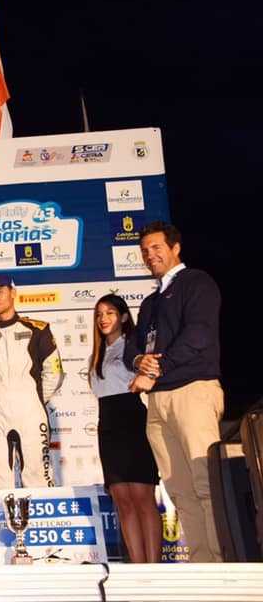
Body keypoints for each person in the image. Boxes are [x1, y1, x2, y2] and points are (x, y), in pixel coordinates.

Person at [124, 220, 224, 563]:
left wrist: (156, 370)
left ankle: (225, 562)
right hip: (157, 401)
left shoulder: (197, 282)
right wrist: (140, 361)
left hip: (192, 391)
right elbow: (132, 348)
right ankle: (203, 564)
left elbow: (198, 335)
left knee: (206, 484)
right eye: (144, 251)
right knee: (179, 491)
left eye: (156, 247)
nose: (149, 255)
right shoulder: (150, 302)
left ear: (175, 247)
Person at [0, 275, 63, 488]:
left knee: (38, 477)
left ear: (13, 293)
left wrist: (33, 399)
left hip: (30, 412)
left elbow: (54, 372)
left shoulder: (38, 329)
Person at [89, 294, 161, 563]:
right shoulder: (97, 354)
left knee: (143, 497)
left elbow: (148, 376)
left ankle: (154, 568)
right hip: (107, 426)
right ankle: (139, 568)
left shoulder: (133, 348)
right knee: (122, 500)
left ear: (123, 316)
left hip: (132, 420)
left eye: (109, 313)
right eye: (99, 314)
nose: (103, 319)